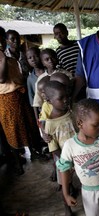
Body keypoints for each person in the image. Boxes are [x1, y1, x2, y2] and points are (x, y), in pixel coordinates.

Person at [56, 99, 99, 216]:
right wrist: (66, 194)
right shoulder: (70, 146)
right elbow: (64, 169)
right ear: (80, 123)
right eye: (95, 125)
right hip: (89, 192)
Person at [0, 26, 42, 175]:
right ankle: (18, 162)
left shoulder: (13, 58)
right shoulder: (4, 58)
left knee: (27, 125)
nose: (2, 44)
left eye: (2, 40)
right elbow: (2, 78)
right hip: (7, 99)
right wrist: (3, 59)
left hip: (20, 94)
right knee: (13, 130)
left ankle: (34, 152)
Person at [44, 80, 75, 215]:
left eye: (66, 96)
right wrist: (65, 159)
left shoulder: (70, 111)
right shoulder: (50, 123)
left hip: (77, 152)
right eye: (60, 98)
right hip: (63, 158)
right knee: (64, 184)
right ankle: (66, 207)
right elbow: (53, 147)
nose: (65, 100)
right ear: (49, 101)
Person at [33, 48, 73, 121]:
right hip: (49, 112)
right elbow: (37, 101)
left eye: (52, 58)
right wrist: (37, 120)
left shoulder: (66, 74)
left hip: (67, 108)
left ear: (57, 58)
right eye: (47, 59)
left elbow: (71, 92)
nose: (50, 61)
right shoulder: (40, 79)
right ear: (42, 62)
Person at [26, 47, 45, 118]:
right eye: (29, 58)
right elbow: (33, 102)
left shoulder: (49, 72)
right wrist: (37, 118)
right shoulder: (30, 79)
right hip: (43, 112)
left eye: (35, 56)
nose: (33, 59)